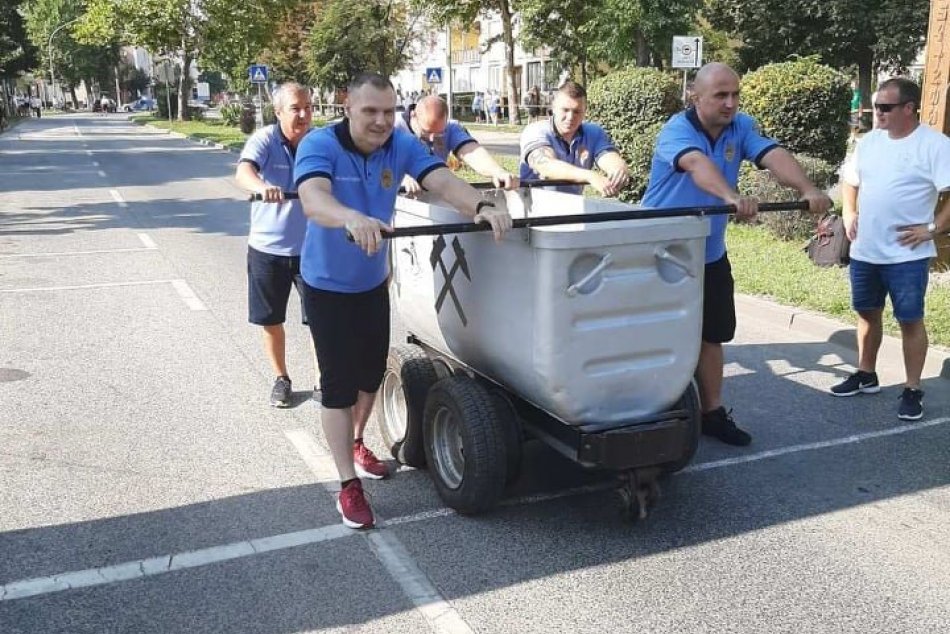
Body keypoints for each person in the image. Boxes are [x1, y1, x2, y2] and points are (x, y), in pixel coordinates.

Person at [293, 72, 513, 529]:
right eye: (370, 111)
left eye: (389, 111)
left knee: (371, 374)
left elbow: (443, 181)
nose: (380, 121)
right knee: (337, 385)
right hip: (327, 285)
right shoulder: (320, 144)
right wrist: (351, 217)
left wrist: (481, 206)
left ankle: (356, 441)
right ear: (347, 108)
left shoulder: (399, 144)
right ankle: (347, 485)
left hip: (372, 281)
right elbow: (313, 199)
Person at [641, 62, 832, 446]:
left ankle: (711, 413)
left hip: (709, 253)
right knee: (655, 334)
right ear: (695, 97)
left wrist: (807, 189)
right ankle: (648, 410)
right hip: (660, 252)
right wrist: (731, 196)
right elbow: (697, 164)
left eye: (735, 94)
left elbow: (773, 155)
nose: (730, 103)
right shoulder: (677, 130)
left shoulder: (740, 126)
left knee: (712, 335)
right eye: (720, 96)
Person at [831, 77, 950, 420]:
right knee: (866, 313)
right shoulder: (869, 142)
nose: (877, 113)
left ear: (909, 108)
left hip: (906, 256)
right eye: (876, 106)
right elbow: (850, 179)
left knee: (910, 320)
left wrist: (933, 228)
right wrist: (849, 212)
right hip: (866, 250)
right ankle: (866, 373)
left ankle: (912, 389)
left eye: (885, 107)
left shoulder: (935, 145)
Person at [235, 82, 316, 408]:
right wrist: (261, 186)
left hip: (312, 250)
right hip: (268, 250)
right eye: (296, 108)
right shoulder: (265, 139)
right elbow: (244, 172)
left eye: (308, 107)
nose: (303, 115)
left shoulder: (318, 141)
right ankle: (281, 378)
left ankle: (323, 380)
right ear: (279, 112)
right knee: (271, 320)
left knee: (321, 319)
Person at [519, 80, 630, 196]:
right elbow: (546, 166)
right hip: (533, 205)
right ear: (554, 108)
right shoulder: (535, 131)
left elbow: (607, 156)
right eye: (565, 110)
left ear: (585, 111)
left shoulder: (593, 132)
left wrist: (617, 169)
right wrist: (590, 176)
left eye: (577, 111)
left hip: (573, 205)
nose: (570, 117)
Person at [395, 95, 518, 195]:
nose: (432, 139)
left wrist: (497, 171)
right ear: (413, 115)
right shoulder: (392, 127)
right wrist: (403, 177)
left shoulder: (451, 127)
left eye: (439, 134)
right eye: (427, 132)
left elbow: (471, 151)